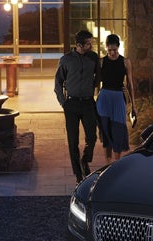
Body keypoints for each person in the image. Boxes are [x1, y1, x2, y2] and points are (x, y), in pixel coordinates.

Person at [54, 30, 101, 183]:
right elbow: (58, 83)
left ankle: (85, 160)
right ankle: (78, 174)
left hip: (88, 103)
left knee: (92, 138)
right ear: (79, 45)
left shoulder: (93, 58)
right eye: (88, 43)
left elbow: (98, 77)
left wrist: (93, 88)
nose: (91, 45)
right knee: (73, 141)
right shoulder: (66, 60)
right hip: (71, 105)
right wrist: (64, 103)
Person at [96, 34, 137, 164]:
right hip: (104, 99)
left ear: (118, 47)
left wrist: (133, 105)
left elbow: (130, 84)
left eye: (115, 50)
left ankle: (116, 164)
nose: (112, 53)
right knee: (106, 131)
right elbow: (96, 83)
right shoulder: (101, 62)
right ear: (106, 48)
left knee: (118, 131)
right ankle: (108, 165)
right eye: (110, 50)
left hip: (118, 98)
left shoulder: (125, 62)